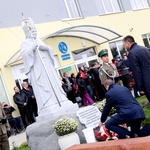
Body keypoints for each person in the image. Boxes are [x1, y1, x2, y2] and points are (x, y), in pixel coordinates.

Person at [21, 18, 69, 116]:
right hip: (38, 68)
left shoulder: (39, 40)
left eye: (35, 31)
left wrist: (46, 48)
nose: (34, 33)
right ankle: (48, 103)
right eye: (32, 31)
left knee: (53, 83)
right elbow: (25, 56)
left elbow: (49, 50)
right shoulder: (25, 43)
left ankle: (60, 99)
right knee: (44, 85)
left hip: (47, 65)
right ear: (27, 32)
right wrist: (32, 47)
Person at [123, 35, 150, 106]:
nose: (124, 47)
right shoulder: (144, 48)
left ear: (127, 43)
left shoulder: (132, 53)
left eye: (124, 45)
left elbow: (136, 71)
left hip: (147, 82)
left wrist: (140, 88)